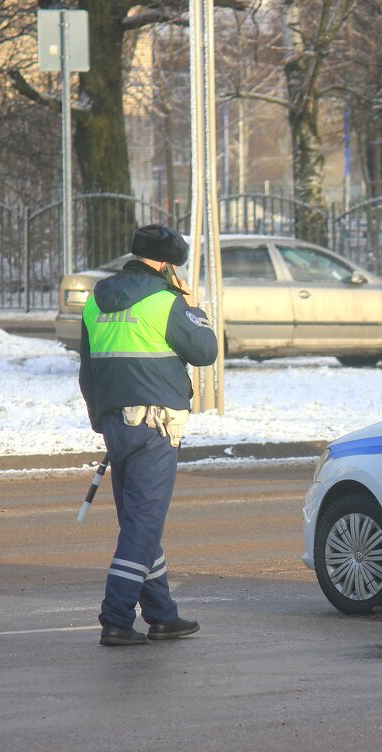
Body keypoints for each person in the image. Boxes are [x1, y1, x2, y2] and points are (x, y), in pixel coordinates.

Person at [78, 224, 218, 646]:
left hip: (115, 425)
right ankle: (116, 617)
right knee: (141, 527)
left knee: (140, 523)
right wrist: (193, 306)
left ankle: (162, 615)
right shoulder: (166, 301)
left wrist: (100, 419)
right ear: (164, 264)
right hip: (155, 427)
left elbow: (88, 370)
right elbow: (205, 350)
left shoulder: (96, 300)